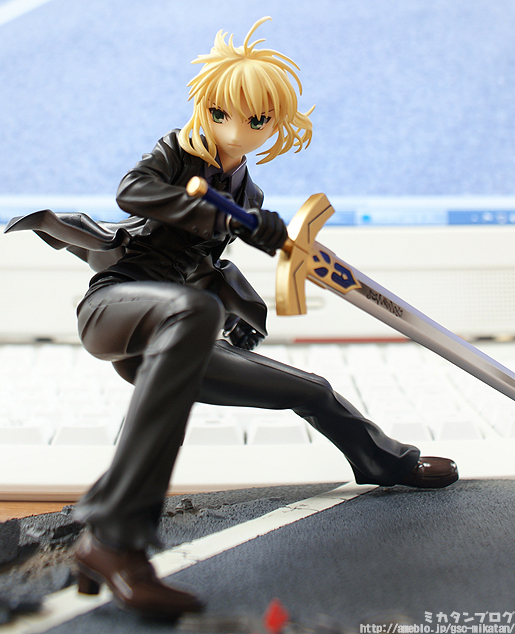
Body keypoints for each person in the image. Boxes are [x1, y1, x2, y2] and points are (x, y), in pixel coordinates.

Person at [5, 17, 457, 621]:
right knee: (196, 309)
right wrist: (219, 219)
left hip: (178, 333)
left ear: (276, 125)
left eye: (256, 119)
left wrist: (255, 287)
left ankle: (381, 459)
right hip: (118, 307)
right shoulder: (176, 153)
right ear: (206, 107)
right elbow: (131, 193)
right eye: (222, 112)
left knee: (310, 389)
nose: (235, 128)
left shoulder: (250, 195)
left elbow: (216, 264)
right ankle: (113, 538)